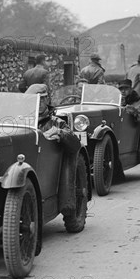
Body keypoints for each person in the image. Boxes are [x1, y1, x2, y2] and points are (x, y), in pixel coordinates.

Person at [25, 83, 81, 213]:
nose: (39, 103)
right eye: (35, 100)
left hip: (47, 171)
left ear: (47, 100)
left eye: (42, 99)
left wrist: (60, 133)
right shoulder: (21, 121)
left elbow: (75, 144)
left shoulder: (56, 122)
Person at [118, 79, 140, 165]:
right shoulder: (116, 101)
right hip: (120, 132)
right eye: (121, 89)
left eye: (125, 89)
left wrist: (135, 113)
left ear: (131, 89)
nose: (123, 91)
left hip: (133, 133)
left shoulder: (138, 102)